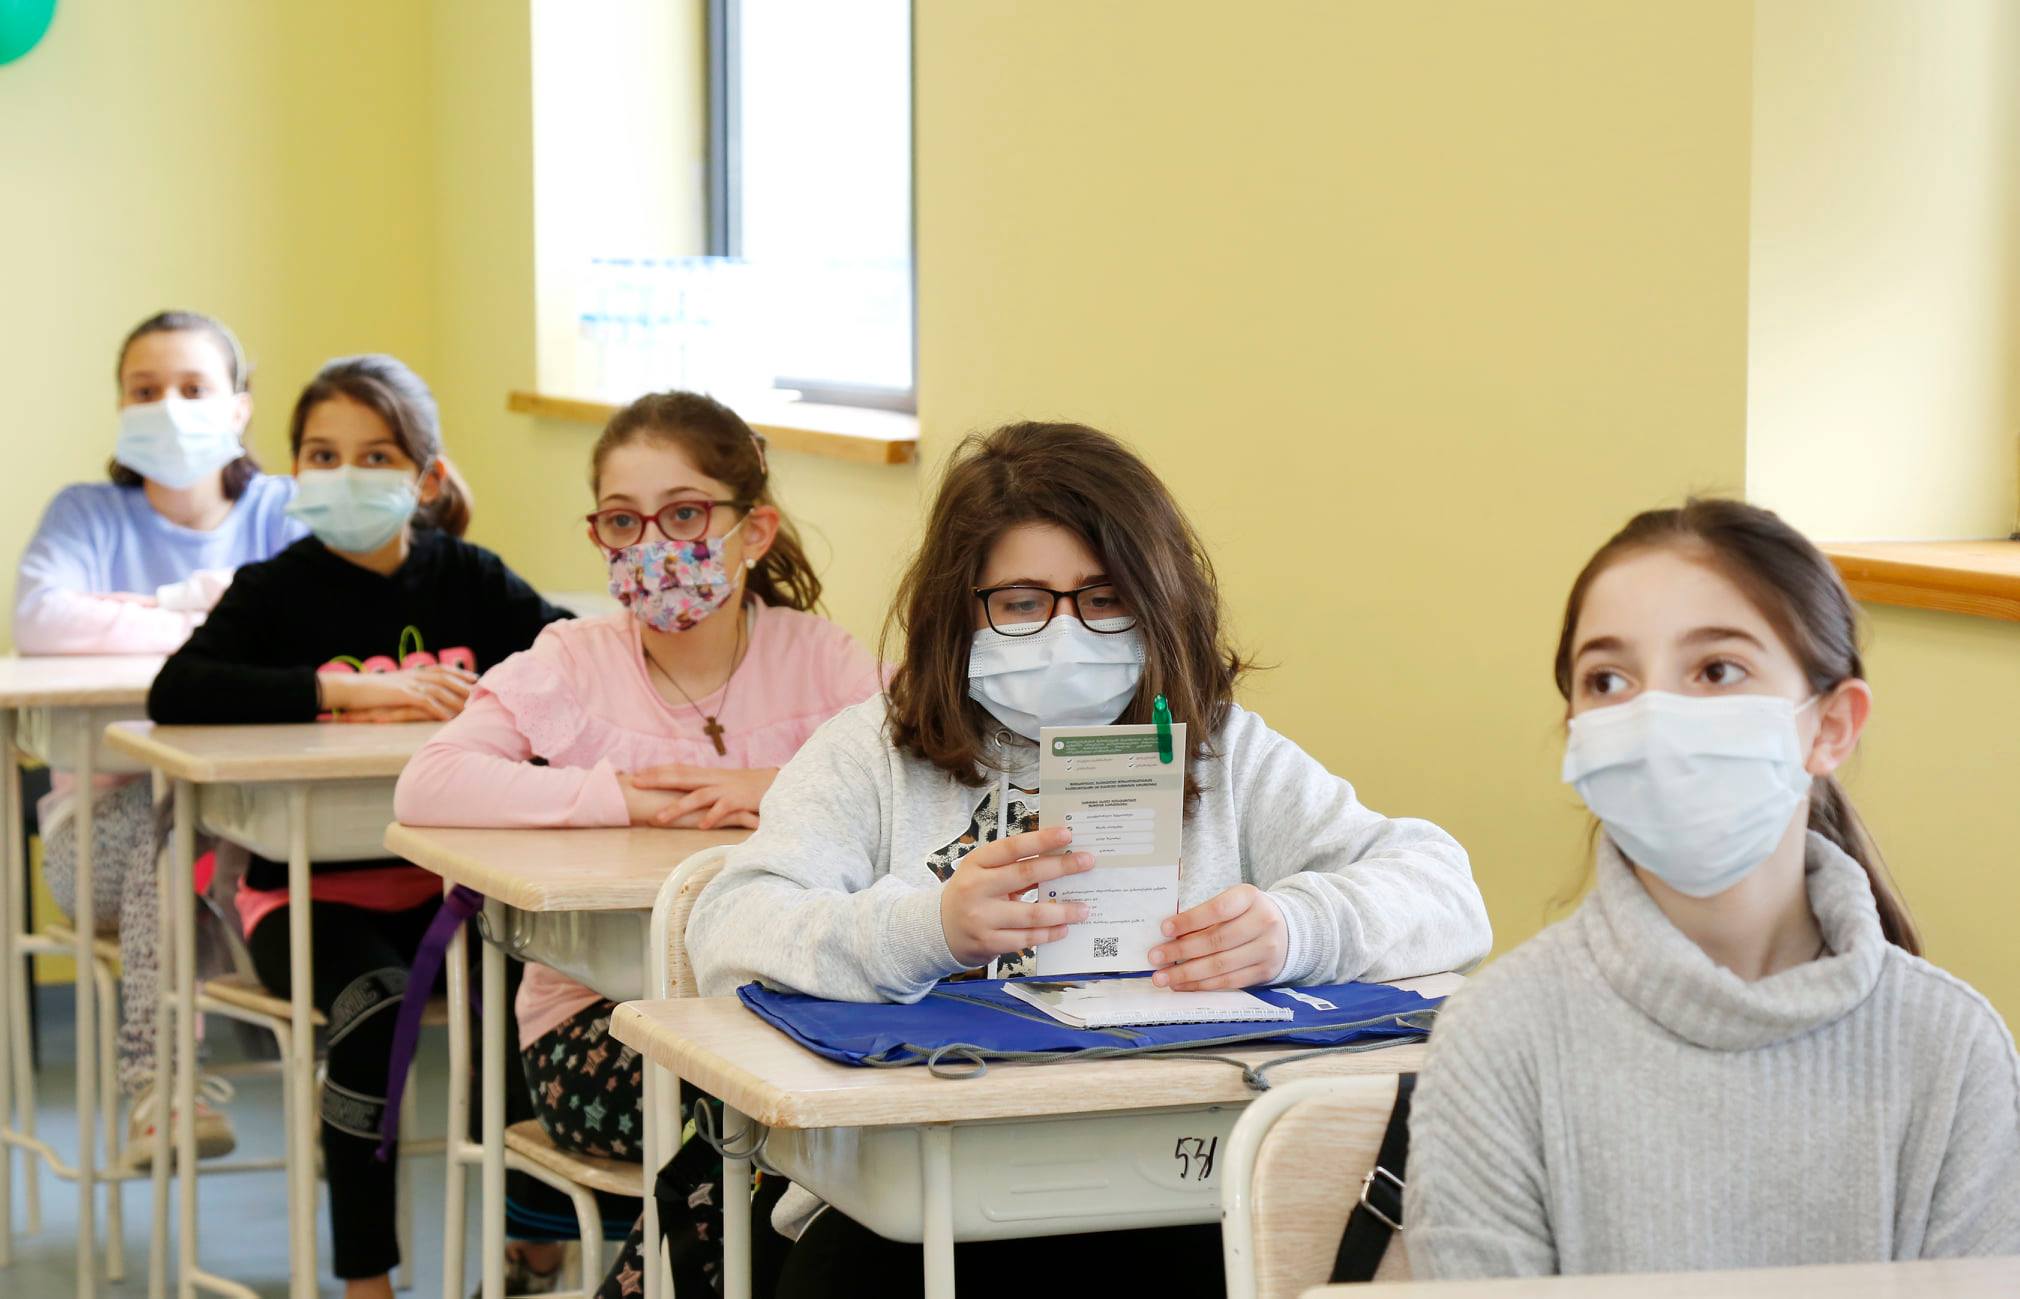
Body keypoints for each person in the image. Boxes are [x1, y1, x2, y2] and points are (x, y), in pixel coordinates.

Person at [688, 420, 1490, 1297]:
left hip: (1173, 1189)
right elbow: (730, 927)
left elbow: (1444, 889)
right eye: (1022, 602)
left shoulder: (1222, 751)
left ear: (1158, 602)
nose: (1066, 634)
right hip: (914, 1200)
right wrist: (927, 929)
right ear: (959, 611)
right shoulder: (872, 754)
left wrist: (1296, 928)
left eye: (1105, 599)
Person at [1404, 498, 2020, 1278]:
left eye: (1716, 670)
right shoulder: (1498, 1037)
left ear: (1831, 725)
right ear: (1577, 735)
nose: (1655, 718)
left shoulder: (1953, 1049)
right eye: (1608, 679)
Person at [394, 389, 880, 1297]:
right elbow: (429, 782)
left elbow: (932, 766)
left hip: (780, 1012)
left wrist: (774, 785)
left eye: (685, 514)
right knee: (766, 1114)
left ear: (754, 530)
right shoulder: (572, 660)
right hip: (596, 1029)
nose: (653, 542)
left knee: (812, 1118)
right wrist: (619, 795)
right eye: (623, 521)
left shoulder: (821, 658)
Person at [148, 354, 570, 1299]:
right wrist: (352, 690)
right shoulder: (274, 588)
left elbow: (571, 662)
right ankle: (366, 1279)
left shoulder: (469, 578)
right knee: (374, 1010)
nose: (345, 474)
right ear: (294, 469)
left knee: (532, 997)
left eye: (375, 455)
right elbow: (179, 688)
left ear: (427, 476)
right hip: (304, 899)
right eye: (322, 454)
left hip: (455, 892)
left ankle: (532, 1239)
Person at [14, 309, 301, 1157]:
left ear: (239, 406)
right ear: (120, 405)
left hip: (261, 824)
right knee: (166, 827)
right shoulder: (86, 514)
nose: (168, 406)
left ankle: (337, 1099)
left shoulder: (284, 509)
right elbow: (41, 619)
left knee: (289, 861)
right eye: (145, 390)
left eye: (192, 387)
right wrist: (207, 613)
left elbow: (312, 626)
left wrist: (139, 612)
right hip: (102, 834)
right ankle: (161, 1087)